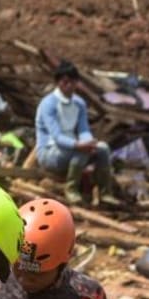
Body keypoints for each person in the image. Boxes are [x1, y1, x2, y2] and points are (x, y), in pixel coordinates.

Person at [34, 61, 118, 206]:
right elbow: (57, 137)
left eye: (73, 82)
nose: (69, 86)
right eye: (65, 82)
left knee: (103, 148)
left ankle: (106, 193)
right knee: (81, 151)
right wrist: (78, 145)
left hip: (72, 149)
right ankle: (71, 189)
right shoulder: (49, 104)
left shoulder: (79, 103)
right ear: (58, 82)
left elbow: (83, 129)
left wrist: (89, 142)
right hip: (50, 152)